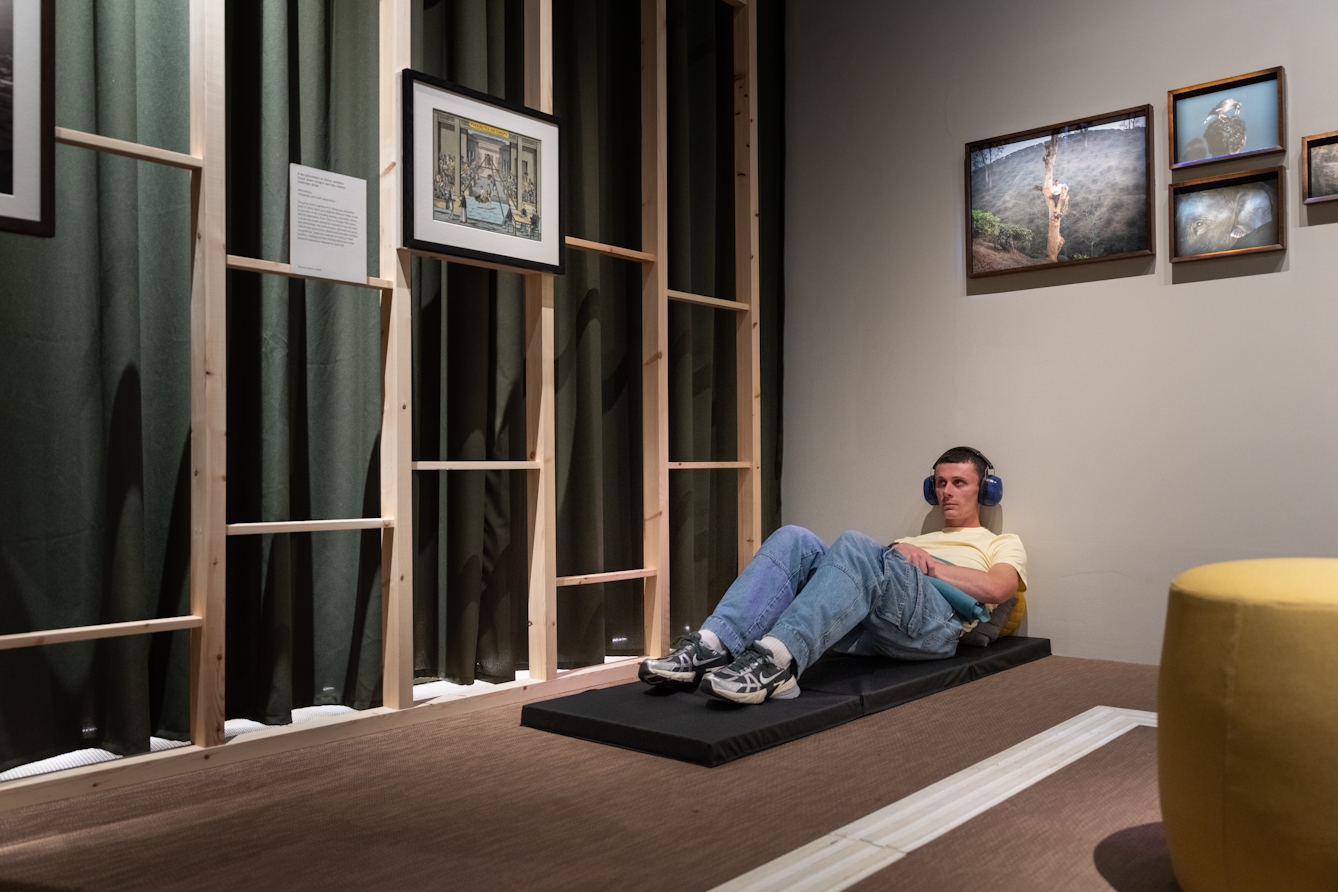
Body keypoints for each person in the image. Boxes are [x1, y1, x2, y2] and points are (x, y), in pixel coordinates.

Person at [638, 446, 1028, 704]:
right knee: (796, 538)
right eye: (940, 483)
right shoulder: (913, 538)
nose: (947, 492)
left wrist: (929, 562)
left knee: (857, 542)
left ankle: (777, 665)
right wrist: (903, 550)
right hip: (878, 624)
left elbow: (997, 587)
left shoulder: (999, 541)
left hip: (936, 629)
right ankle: (711, 646)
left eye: (959, 483)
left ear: (985, 491)